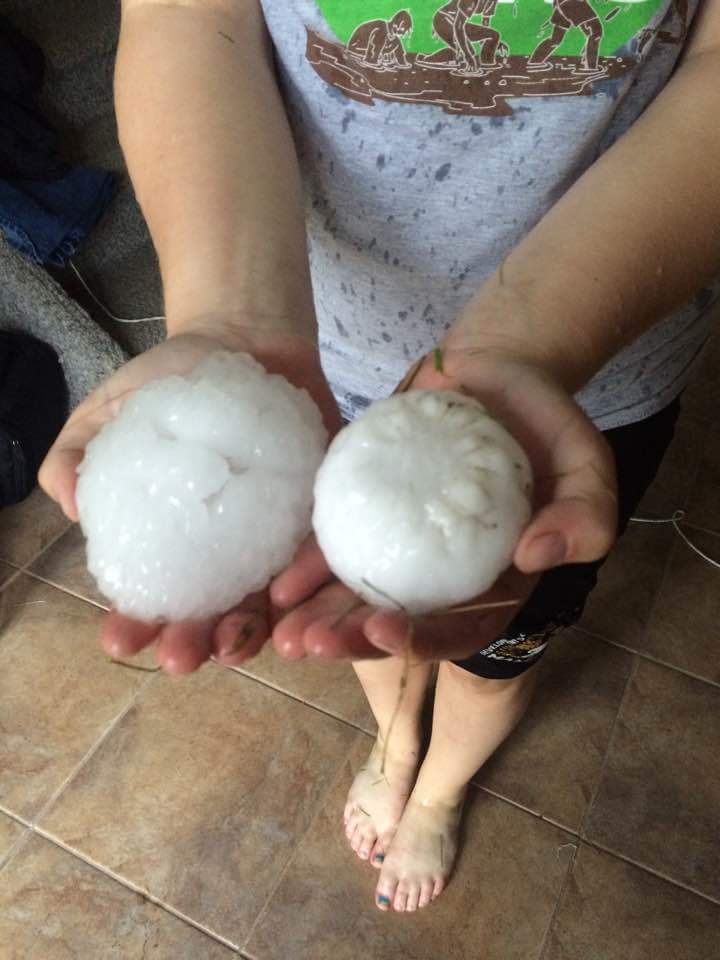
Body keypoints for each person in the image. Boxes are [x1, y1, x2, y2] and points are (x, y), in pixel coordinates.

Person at [40, 0, 719, 915]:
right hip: (327, 338)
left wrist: (534, 341)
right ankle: (394, 743)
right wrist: (230, 315)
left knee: (493, 646)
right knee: (361, 609)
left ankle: (440, 784)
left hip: (586, 370)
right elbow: (188, 19)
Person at [347, 10, 413, 69]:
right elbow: (375, 46)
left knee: (394, 42)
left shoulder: (394, 37)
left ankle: (376, 58)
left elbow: (399, 52)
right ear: (396, 25)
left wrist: (402, 62)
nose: (403, 33)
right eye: (403, 29)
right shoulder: (381, 28)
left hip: (369, 50)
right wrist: (373, 60)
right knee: (381, 38)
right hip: (356, 47)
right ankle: (372, 60)